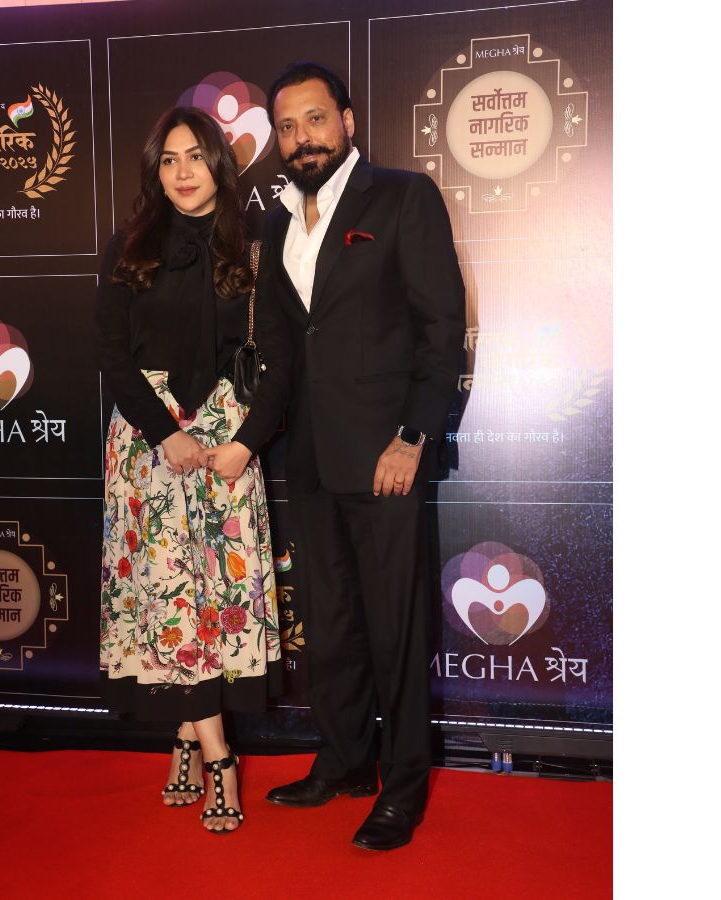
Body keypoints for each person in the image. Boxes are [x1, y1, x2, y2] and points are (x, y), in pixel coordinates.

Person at [257, 62, 466, 850]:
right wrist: (248, 442)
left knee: (395, 630)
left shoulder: (404, 197)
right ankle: (345, 761)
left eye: (315, 119)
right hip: (309, 459)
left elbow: (442, 331)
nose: (301, 138)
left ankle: (404, 786)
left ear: (347, 122)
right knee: (331, 623)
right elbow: (283, 352)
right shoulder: (277, 223)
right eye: (286, 126)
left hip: (386, 459)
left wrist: (412, 438)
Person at [96, 106, 289, 834]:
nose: (183, 172)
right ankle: (220, 759)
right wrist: (162, 433)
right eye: (169, 159)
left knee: (216, 600)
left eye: (196, 157)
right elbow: (111, 353)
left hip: (228, 440)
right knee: (174, 603)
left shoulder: (257, 245)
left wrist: (246, 442)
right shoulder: (128, 246)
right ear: (157, 169)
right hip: (150, 448)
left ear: (219, 163)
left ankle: (184, 737)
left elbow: (283, 359)